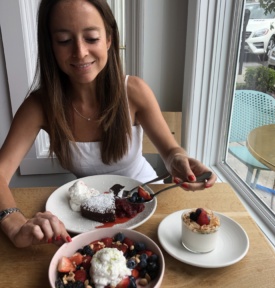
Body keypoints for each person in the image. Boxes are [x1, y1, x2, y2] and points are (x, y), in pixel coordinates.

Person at [0, 0, 217, 248]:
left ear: (109, 39)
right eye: (63, 40)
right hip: (86, 221)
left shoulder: (134, 91)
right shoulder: (39, 105)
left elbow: (170, 151)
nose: (80, 52)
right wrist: (13, 222)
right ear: (50, 45)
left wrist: (178, 159)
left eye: (91, 38)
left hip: (147, 204)